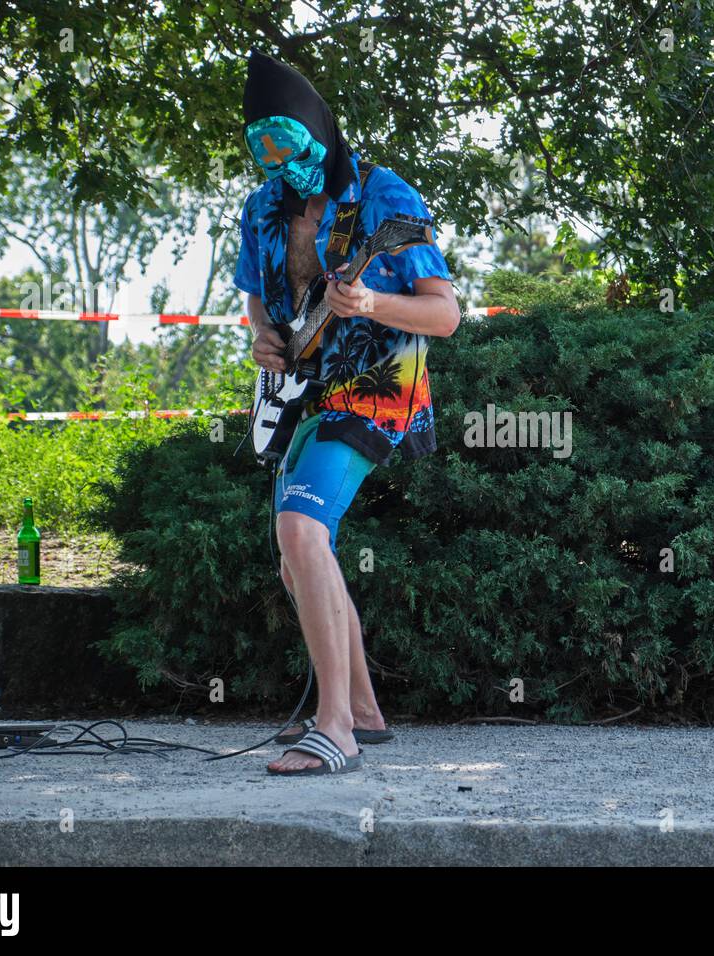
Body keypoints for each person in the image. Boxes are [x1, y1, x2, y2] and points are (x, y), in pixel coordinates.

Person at [234, 50, 460, 775]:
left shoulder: (386, 197)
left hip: (380, 381)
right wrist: (264, 339)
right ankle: (363, 706)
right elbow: (257, 300)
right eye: (260, 147)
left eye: (287, 143)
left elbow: (446, 315)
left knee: (302, 529)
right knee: (297, 556)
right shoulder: (261, 207)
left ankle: (334, 729)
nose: (276, 161)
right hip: (303, 389)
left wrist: (371, 302)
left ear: (317, 131)